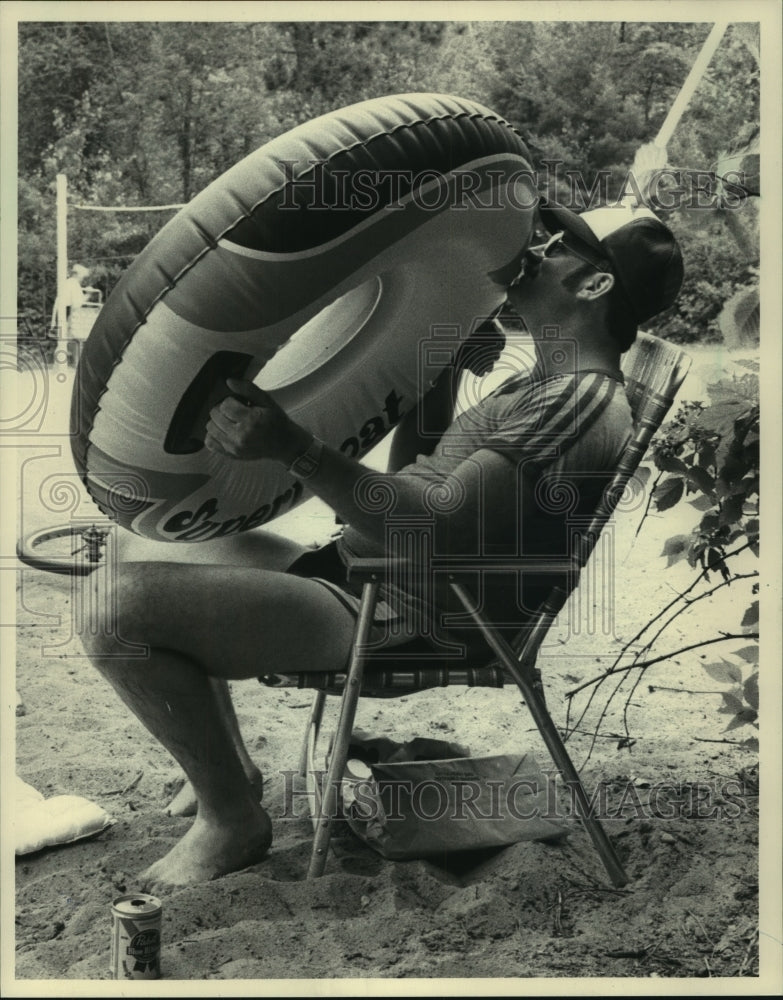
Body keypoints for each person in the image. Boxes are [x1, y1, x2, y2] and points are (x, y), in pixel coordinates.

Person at [82, 201, 683, 888]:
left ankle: (231, 821)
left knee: (114, 612)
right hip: (365, 573)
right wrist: (446, 375)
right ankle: (232, 776)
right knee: (133, 547)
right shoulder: (542, 384)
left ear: (595, 285)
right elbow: (420, 475)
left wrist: (294, 449)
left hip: (408, 614)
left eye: (555, 245)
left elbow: (432, 529)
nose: (533, 248)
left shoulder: (578, 401)